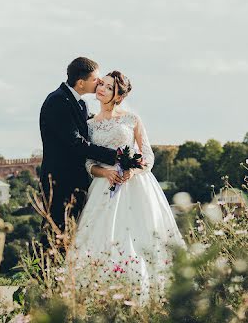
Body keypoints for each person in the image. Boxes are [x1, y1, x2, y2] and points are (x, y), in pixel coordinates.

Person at [69, 70, 185, 302]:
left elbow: (148, 155)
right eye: (101, 84)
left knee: (138, 238)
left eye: (109, 87)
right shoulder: (89, 124)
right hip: (103, 186)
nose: (101, 88)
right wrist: (106, 172)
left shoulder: (132, 119)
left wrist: (132, 171)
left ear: (118, 96)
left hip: (136, 187)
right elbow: (88, 162)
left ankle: (145, 296)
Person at [39, 57, 120, 235]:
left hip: (76, 180)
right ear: (81, 83)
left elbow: (93, 129)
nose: (99, 82)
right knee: (55, 232)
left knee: (72, 234)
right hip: (59, 182)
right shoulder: (57, 101)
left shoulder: (80, 103)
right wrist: (114, 156)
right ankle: (46, 264)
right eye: (95, 79)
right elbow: (75, 142)